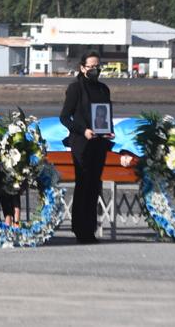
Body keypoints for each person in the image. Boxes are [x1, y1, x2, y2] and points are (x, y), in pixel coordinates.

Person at [60, 51, 114, 244]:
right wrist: (83, 131)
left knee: (94, 185)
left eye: (97, 66)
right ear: (82, 68)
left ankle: (90, 229)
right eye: (90, 66)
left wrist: (109, 131)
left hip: (99, 143)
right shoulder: (75, 89)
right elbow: (64, 117)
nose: (94, 69)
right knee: (83, 184)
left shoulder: (103, 89)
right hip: (82, 143)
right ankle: (80, 229)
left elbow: (106, 114)